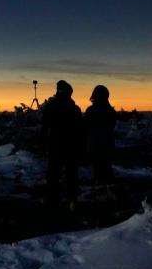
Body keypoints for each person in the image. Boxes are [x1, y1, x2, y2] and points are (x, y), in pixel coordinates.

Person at [40, 80, 83, 208]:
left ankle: (52, 200)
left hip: (55, 145)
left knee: (53, 174)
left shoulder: (51, 107)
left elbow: (44, 127)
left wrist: (43, 144)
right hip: (71, 146)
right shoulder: (74, 108)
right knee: (71, 174)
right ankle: (72, 199)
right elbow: (80, 130)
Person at [84, 84, 116, 185]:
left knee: (97, 172)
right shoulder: (111, 111)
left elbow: (85, 127)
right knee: (107, 170)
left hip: (95, 146)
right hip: (107, 145)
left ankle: (100, 192)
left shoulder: (90, 110)